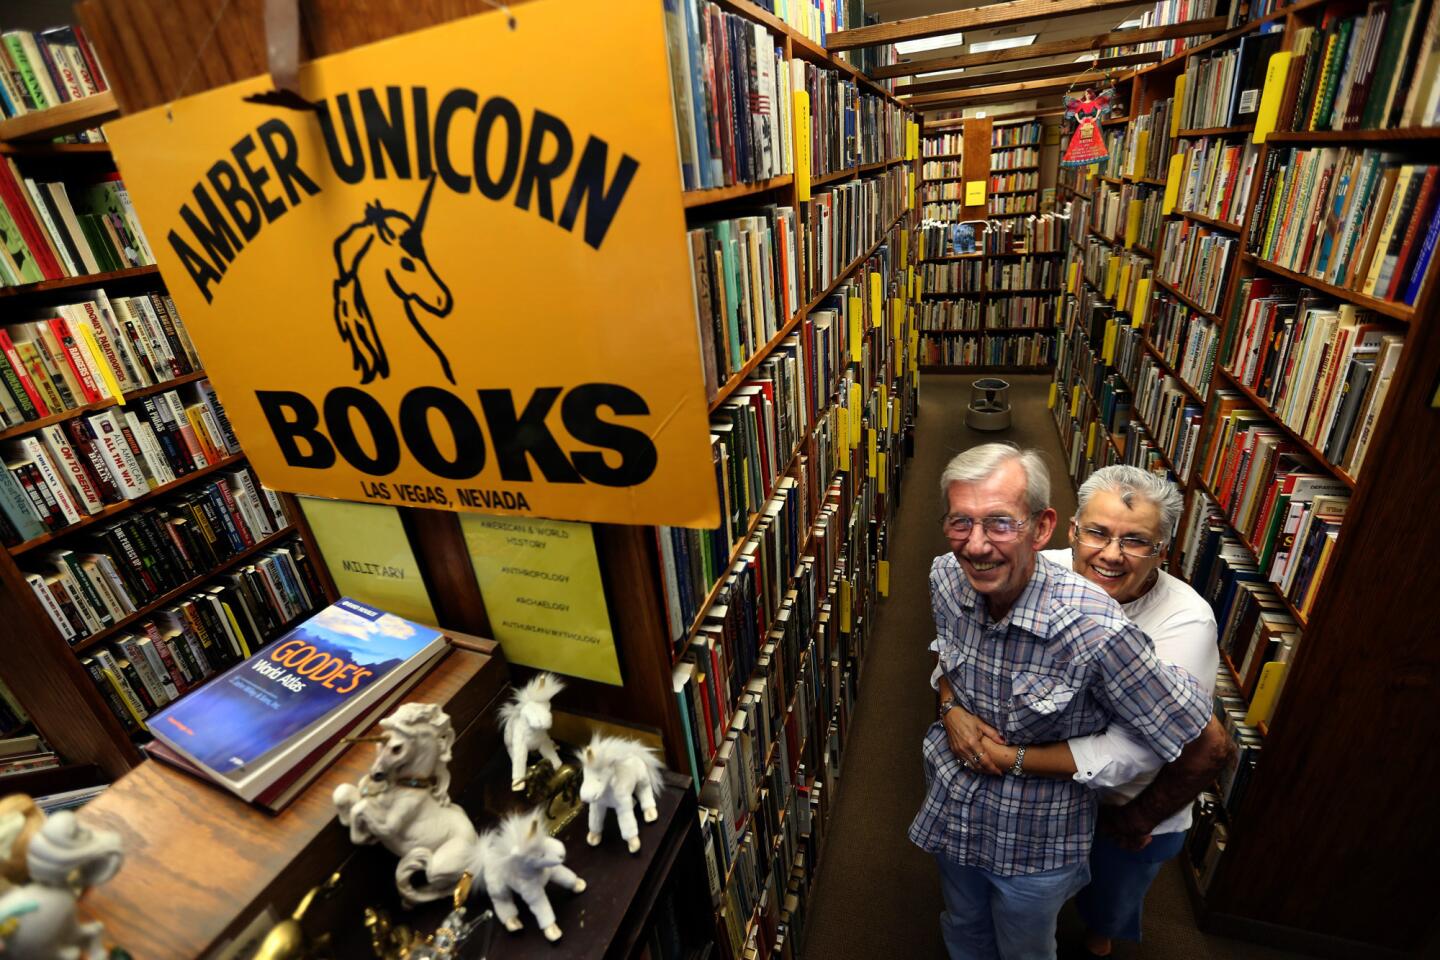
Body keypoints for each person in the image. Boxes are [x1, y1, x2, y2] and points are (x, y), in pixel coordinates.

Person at [910, 443, 1230, 960]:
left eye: (1135, 541)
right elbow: (953, 651)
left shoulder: (1124, 625)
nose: (1108, 554)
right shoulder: (960, 573)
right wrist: (950, 707)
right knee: (965, 920)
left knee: (1090, 911)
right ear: (1071, 531)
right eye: (1098, 533)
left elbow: (1197, 744)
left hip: (1096, 808)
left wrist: (1011, 758)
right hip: (960, 805)